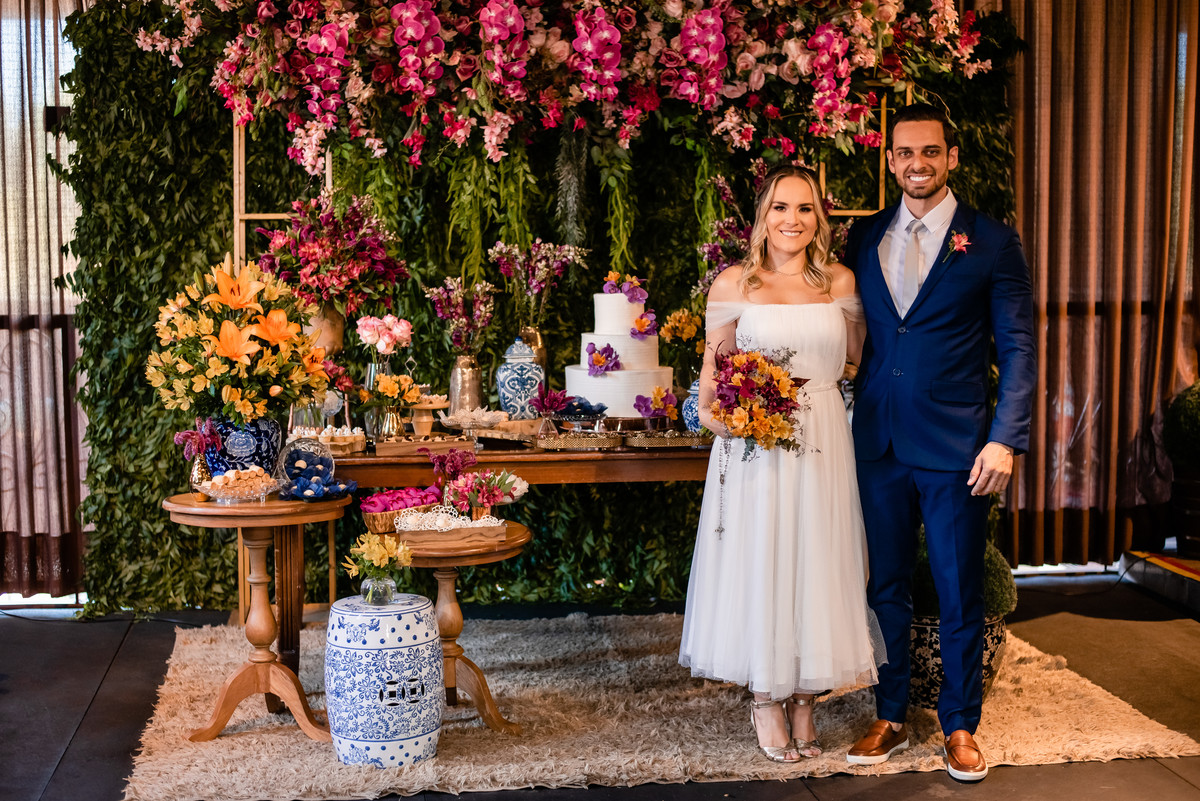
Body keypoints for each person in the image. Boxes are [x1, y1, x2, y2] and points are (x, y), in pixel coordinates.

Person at [843, 103, 1035, 782]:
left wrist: (1005, 440)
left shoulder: (991, 242)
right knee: (887, 583)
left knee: (957, 590)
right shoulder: (862, 239)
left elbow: (1017, 348)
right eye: (904, 153)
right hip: (879, 442)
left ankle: (959, 724)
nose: (916, 164)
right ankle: (890, 711)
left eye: (930, 152)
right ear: (889, 159)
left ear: (952, 157)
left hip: (959, 447)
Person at [679, 164, 882, 763]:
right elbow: (713, 383)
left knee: (817, 558)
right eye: (779, 208)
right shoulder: (733, 284)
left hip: (823, 435)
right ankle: (766, 697)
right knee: (765, 559)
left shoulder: (840, 281)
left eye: (804, 209)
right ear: (761, 217)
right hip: (755, 449)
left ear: (819, 219)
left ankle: (805, 698)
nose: (792, 220)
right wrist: (730, 424)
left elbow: (858, 364)